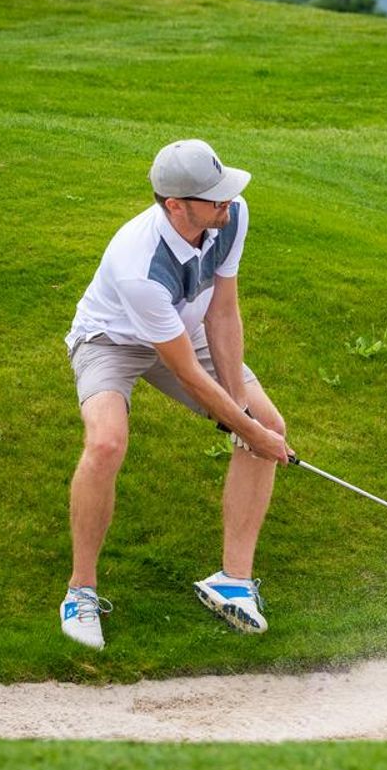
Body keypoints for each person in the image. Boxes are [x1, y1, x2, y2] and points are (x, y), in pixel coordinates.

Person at [60, 139, 293, 650]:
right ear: (176, 205)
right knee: (106, 443)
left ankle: (232, 582)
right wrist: (245, 428)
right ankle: (81, 591)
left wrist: (246, 416)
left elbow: (223, 313)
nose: (227, 201)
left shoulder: (230, 215)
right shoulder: (138, 264)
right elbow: (185, 373)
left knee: (267, 425)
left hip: (183, 330)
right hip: (111, 340)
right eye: (214, 197)